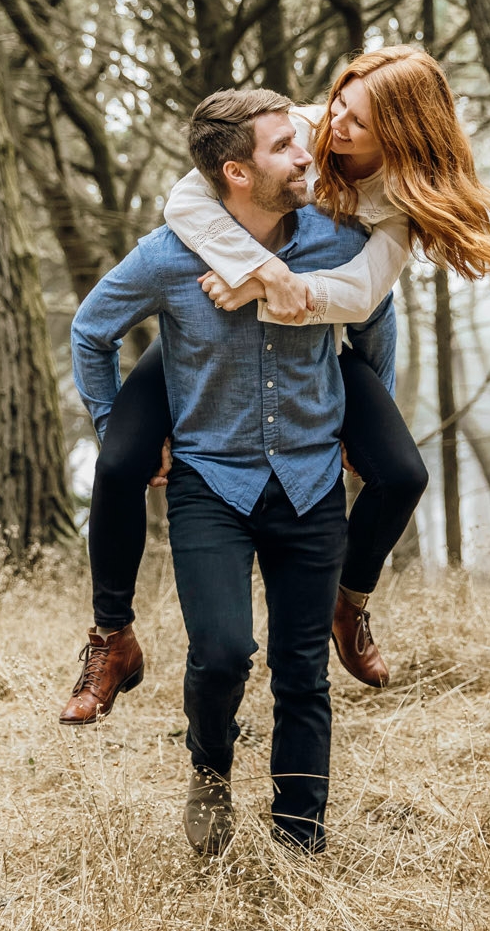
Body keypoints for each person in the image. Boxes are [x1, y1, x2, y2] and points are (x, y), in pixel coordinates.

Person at [59, 46, 490, 727]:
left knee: (399, 472)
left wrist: (285, 301)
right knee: (122, 458)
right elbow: (190, 195)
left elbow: (368, 302)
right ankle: (111, 637)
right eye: (340, 99)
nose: (333, 123)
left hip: (319, 335)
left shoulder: (399, 197)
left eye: (357, 120)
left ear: (397, 134)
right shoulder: (301, 129)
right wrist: (256, 267)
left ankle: (349, 601)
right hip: (207, 340)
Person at [69, 88, 396, 853]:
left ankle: (299, 840)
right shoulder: (169, 256)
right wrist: (119, 426)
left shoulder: (338, 237)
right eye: (284, 146)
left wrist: (360, 421)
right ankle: (209, 770)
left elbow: (375, 315)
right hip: (211, 482)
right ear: (237, 173)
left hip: (312, 481)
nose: (307, 153)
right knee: (220, 655)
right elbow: (90, 330)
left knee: (301, 674)